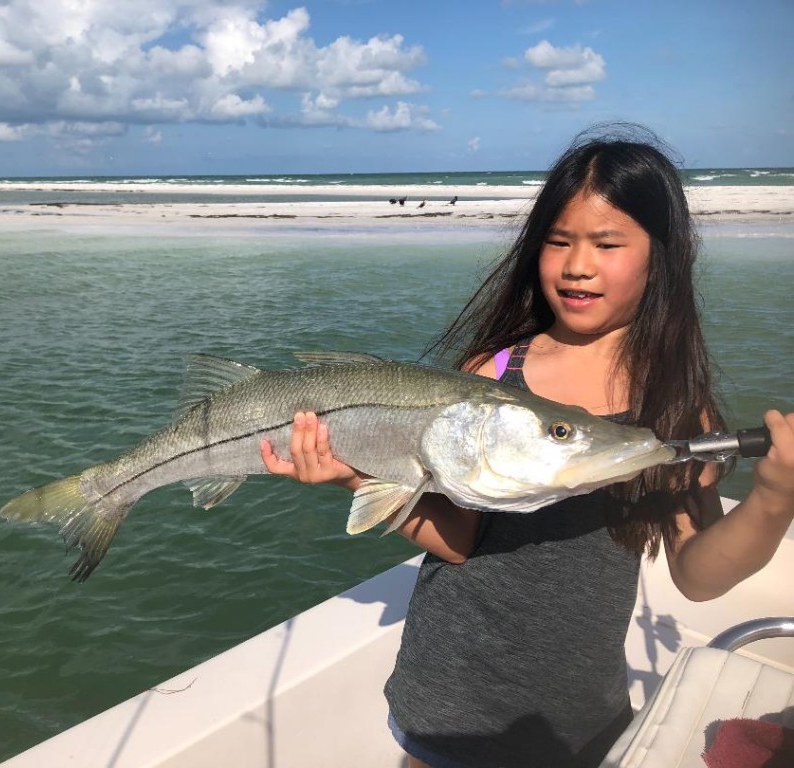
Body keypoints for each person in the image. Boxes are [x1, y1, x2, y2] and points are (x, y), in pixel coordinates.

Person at [259, 124, 794, 768]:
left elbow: (698, 574)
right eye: (558, 240)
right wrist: (353, 477)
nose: (577, 264)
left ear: (661, 254)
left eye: (607, 242)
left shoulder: (674, 407)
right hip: (447, 699)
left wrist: (772, 501)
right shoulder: (494, 371)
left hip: (579, 720)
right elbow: (458, 543)